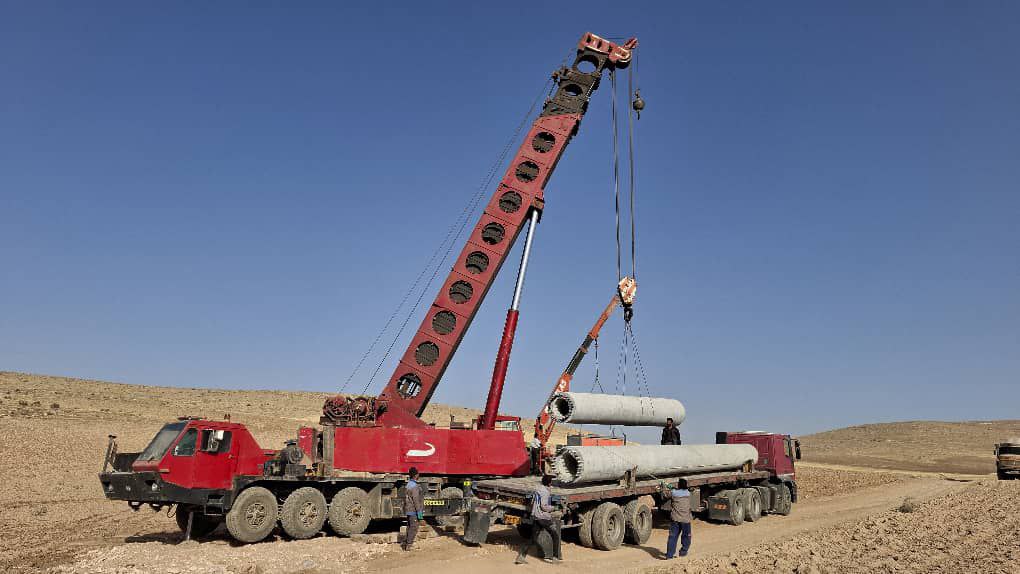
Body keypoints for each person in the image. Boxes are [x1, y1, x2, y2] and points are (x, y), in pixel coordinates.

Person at [515, 475, 563, 564]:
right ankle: (555, 558)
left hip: (536, 516)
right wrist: (554, 508)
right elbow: (544, 507)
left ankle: (521, 557)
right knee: (555, 536)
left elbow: (533, 502)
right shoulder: (545, 492)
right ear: (549, 483)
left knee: (532, 538)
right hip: (543, 518)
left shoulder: (537, 489)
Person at [663, 483, 692, 559]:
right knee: (686, 536)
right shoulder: (688, 493)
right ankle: (683, 552)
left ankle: (669, 555)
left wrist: (665, 487)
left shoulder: (673, 493)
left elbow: (665, 495)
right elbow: (681, 491)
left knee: (672, 537)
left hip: (675, 519)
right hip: (685, 520)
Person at [402, 467, 425, 551]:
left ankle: (407, 543)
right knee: (414, 527)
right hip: (413, 510)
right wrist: (420, 515)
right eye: (418, 473)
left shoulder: (408, 484)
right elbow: (416, 501)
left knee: (409, 526)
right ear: (416, 475)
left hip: (408, 509)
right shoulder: (415, 486)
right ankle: (409, 545)